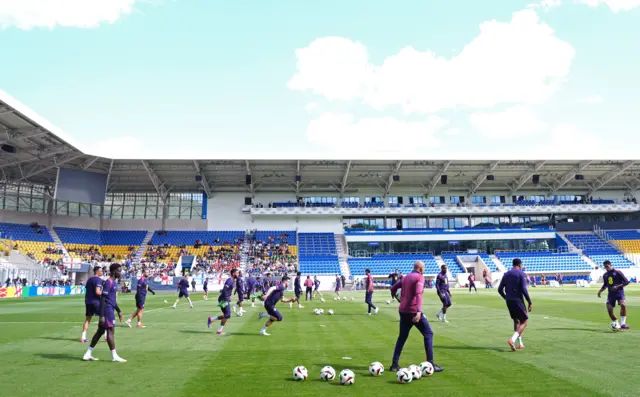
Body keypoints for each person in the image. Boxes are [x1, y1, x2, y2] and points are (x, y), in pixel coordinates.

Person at [389, 261, 443, 373]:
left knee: (402, 337)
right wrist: (419, 312)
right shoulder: (419, 278)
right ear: (420, 268)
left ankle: (394, 364)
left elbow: (393, 288)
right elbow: (418, 294)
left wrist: (399, 300)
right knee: (428, 333)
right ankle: (430, 363)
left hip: (403, 311)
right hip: (413, 311)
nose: (424, 270)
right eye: (424, 268)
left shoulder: (405, 277)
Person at [82, 263, 126, 362]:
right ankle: (114, 356)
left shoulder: (114, 283)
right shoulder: (108, 282)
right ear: (114, 271)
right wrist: (102, 316)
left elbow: (112, 300)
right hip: (107, 310)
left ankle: (88, 353)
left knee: (100, 331)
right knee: (110, 331)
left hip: (110, 308)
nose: (120, 272)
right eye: (119, 270)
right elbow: (103, 298)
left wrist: (118, 310)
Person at [498, 258, 533, 351]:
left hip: (509, 300)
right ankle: (512, 340)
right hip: (518, 300)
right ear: (520, 265)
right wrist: (529, 302)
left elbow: (499, 289)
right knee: (524, 321)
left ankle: (520, 343)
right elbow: (523, 289)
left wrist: (506, 297)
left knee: (516, 321)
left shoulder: (506, 274)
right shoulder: (521, 274)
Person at [597, 260, 630, 330]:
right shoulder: (605, 275)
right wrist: (599, 291)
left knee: (623, 305)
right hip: (611, 294)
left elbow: (626, 282)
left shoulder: (618, 272)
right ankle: (616, 323)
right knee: (609, 310)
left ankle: (623, 324)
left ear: (610, 265)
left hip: (619, 292)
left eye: (607, 266)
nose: (606, 268)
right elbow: (605, 285)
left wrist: (617, 286)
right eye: (605, 267)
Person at [208, 269, 239, 335]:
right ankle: (219, 331)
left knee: (226, 315)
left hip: (224, 298)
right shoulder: (229, 280)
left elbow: (228, 290)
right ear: (233, 273)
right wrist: (226, 298)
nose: (238, 274)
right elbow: (224, 290)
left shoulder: (233, 281)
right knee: (227, 315)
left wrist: (229, 296)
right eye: (237, 273)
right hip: (223, 299)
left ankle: (211, 319)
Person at [81, 266, 103, 343]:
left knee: (87, 320)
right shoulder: (98, 280)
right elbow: (97, 292)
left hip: (88, 301)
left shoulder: (89, 279)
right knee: (103, 318)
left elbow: (87, 290)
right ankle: (106, 335)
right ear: (97, 271)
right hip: (96, 302)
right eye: (101, 271)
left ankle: (83, 337)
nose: (102, 272)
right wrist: (105, 294)